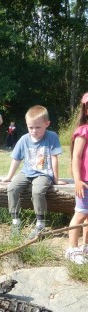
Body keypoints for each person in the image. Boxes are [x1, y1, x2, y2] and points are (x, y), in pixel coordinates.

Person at [0, 105, 66, 240]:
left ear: (47, 124)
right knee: (12, 188)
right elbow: (16, 159)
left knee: (37, 191)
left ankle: (40, 223)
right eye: (31, 127)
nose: (34, 131)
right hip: (27, 171)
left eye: (38, 127)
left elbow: (54, 159)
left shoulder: (52, 137)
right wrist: (9, 177)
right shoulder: (24, 139)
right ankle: (16, 222)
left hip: (44, 173)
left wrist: (56, 179)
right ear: (27, 125)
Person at [66, 93, 88, 265]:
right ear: (86, 110)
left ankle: (85, 247)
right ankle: (72, 249)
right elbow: (76, 157)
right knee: (80, 214)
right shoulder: (83, 131)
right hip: (85, 183)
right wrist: (78, 180)